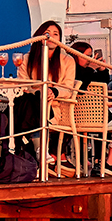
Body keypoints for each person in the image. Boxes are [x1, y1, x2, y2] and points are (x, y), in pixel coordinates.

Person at [15, 21, 75, 164]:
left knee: (32, 107)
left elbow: (68, 88)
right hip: (31, 105)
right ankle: (40, 150)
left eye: (56, 34)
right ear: (39, 36)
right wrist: (39, 91)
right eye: (47, 33)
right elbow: (22, 84)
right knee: (33, 101)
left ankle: (33, 150)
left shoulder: (67, 60)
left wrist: (53, 91)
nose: (51, 36)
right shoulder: (26, 59)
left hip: (54, 108)